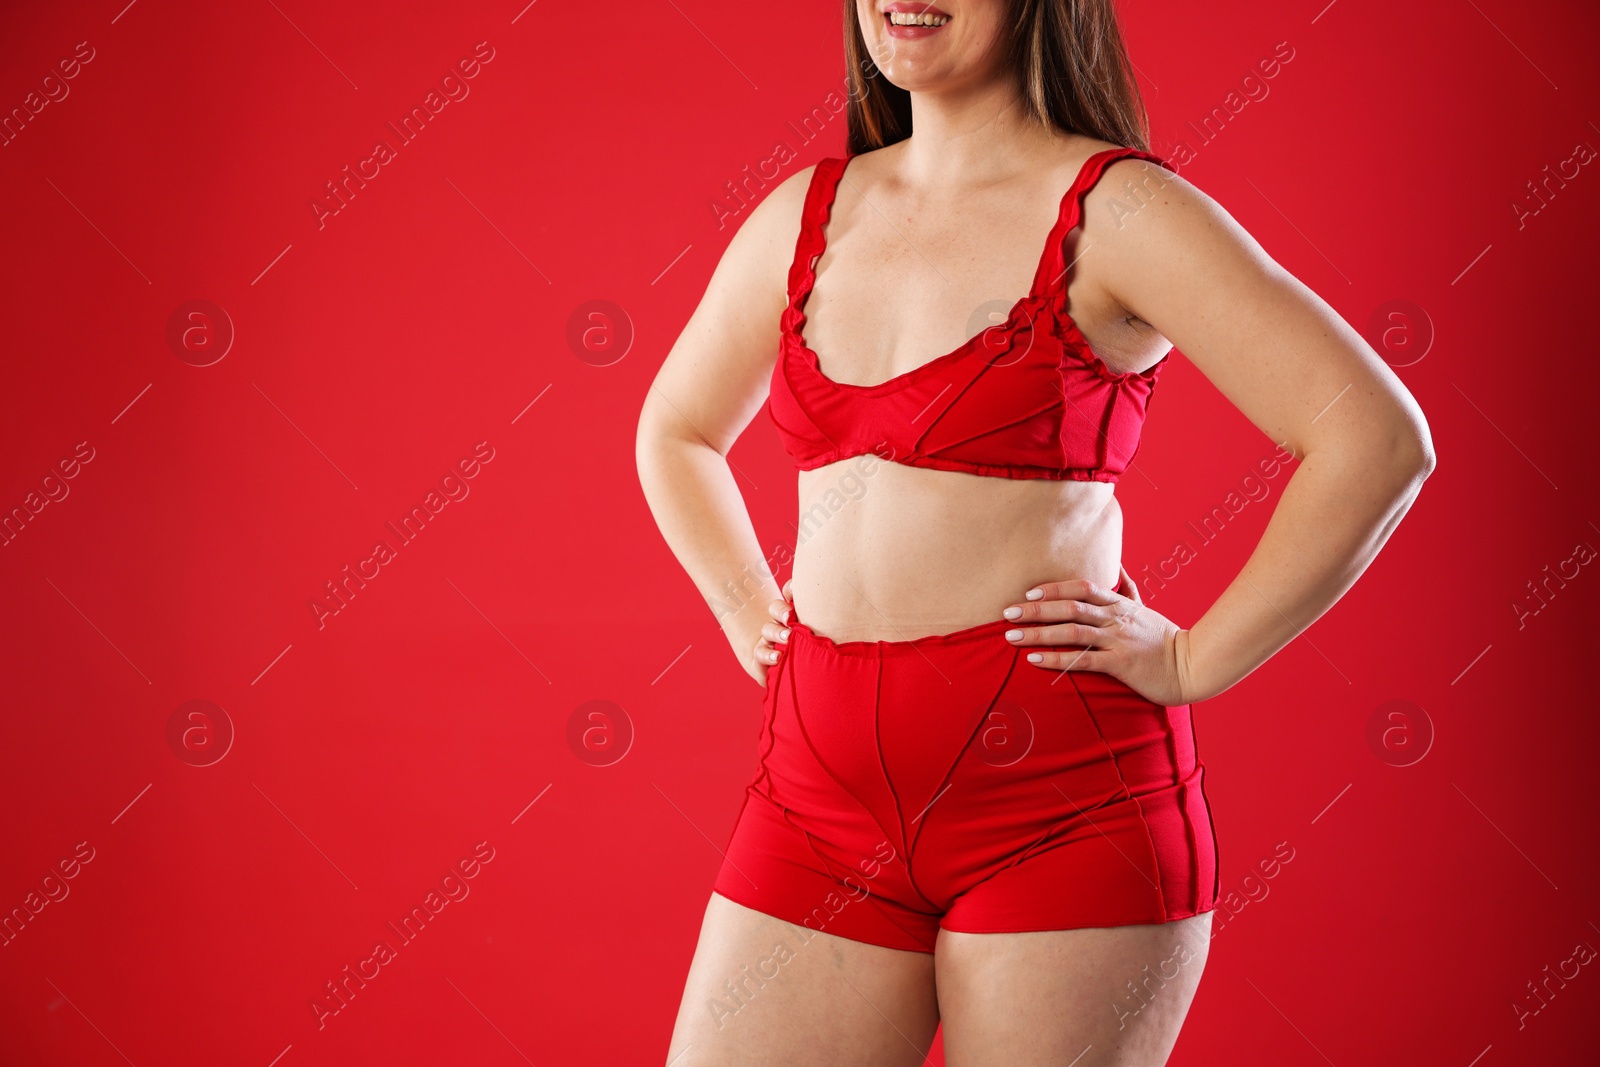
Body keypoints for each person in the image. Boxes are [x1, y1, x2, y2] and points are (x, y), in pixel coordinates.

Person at [635, 1, 1435, 1063]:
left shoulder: (1122, 210)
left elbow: (1375, 440)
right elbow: (675, 429)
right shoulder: (805, 214)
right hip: (813, 806)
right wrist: (744, 602)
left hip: (1060, 811)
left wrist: (1193, 657)